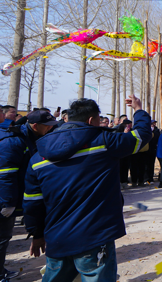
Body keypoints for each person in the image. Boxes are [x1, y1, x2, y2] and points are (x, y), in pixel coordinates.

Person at [23, 95, 151, 282]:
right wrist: (139, 110)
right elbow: (141, 136)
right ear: (91, 120)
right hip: (94, 237)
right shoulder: (105, 142)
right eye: (100, 120)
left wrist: (37, 234)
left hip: (56, 239)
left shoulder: (38, 156)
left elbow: (33, 202)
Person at [0, 109, 59, 281]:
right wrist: (7, 203)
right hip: (5, 199)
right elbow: (5, 175)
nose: (50, 129)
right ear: (35, 126)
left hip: (15, 196)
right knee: (2, 237)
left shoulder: (33, 138)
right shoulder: (13, 142)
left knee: (4, 237)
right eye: (47, 126)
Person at [118, 120, 133, 188]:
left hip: (128, 152)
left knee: (125, 167)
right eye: (128, 125)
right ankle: (120, 182)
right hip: (120, 153)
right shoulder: (119, 131)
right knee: (120, 168)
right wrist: (124, 134)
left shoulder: (131, 131)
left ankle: (124, 181)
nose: (129, 127)